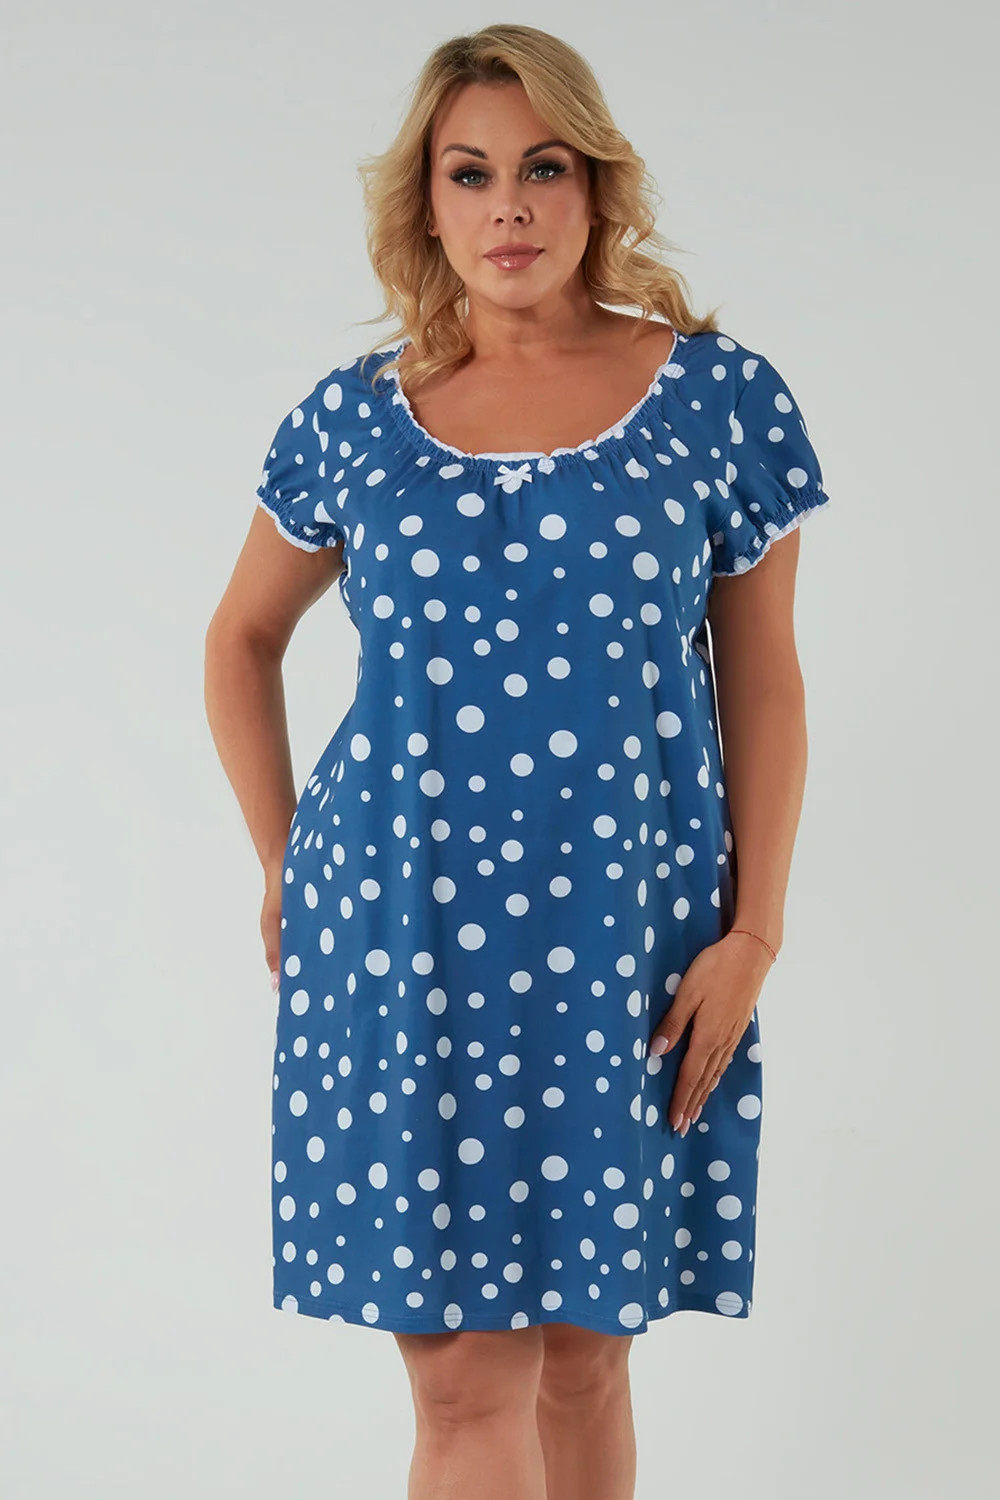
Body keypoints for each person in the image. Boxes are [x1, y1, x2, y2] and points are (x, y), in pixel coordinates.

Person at [204, 23, 832, 1500]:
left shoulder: (716, 400)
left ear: (596, 187)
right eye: (470, 173)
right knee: (465, 1383)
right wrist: (285, 860)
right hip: (400, 930)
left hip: (629, 935)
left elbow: (764, 679)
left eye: (543, 169)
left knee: (586, 1361)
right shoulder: (355, 421)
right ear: (425, 204)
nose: (510, 208)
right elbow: (240, 640)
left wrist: (754, 931)